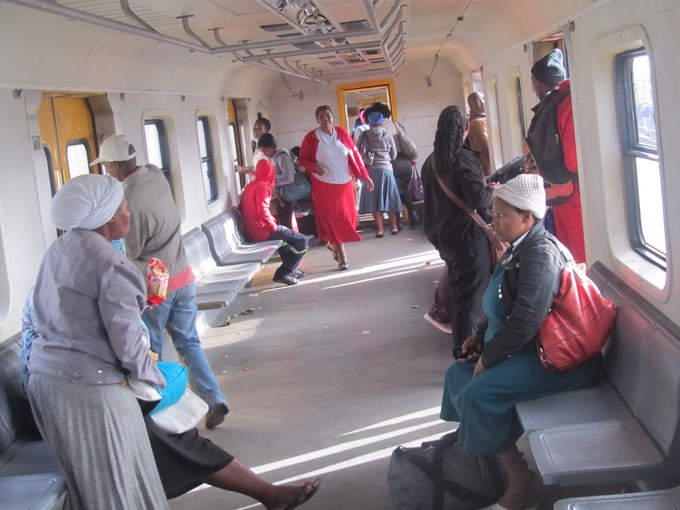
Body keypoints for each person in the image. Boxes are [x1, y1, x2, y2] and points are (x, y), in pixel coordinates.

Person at [20, 289, 321, 510]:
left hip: (90, 395)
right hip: (59, 404)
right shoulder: (52, 296)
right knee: (155, 433)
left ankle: (268, 493)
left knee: (166, 432)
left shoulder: (87, 285)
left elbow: (125, 341)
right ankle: (268, 494)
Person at [440, 174, 601, 510]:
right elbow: (504, 303)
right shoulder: (519, 248)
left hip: (556, 360)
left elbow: (527, 318)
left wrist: (489, 358)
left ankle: (518, 481)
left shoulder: (540, 254)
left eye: (501, 216)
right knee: (457, 375)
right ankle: (486, 456)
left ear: (527, 217)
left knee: (479, 392)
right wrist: (481, 336)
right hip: (526, 350)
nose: (493, 222)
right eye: (493, 214)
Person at [26, 173, 169, 509]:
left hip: (46, 382)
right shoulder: (110, 265)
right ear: (106, 217)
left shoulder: (59, 249)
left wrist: (138, 300)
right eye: (123, 206)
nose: (129, 212)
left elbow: (71, 312)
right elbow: (129, 346)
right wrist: (155, 377)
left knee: (89, 485)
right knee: (117, 488)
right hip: (90, 390)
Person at [92, 134, 230, 429]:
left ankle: (161, 413)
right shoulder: (155, 174)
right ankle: (214, 396)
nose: (106, 171)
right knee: (189, 342)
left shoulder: (130, 202)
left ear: (116, 166)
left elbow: (134, 250)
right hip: (183, 271)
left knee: (150, 348)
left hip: (157, 281)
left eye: (106, 166)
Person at [421, 105, 493, 352]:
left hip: (445, 238)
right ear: (466, 128)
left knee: (462, 295)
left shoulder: (431, 161)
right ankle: (465, 354)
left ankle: (463, 350)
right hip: (468, 239)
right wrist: (495, 189)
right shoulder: (461, 157)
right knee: (470, 302)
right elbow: (478, 199)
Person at [526, 48, 586, 264]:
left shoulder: (550, 105)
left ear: (539, 82)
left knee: (567, 253)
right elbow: (574, 160)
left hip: (556, 193)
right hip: (576, 193)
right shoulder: (570, 102)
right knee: (581, 257)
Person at [298, 104, 374, 271]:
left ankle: (333, 244)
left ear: (333, 117)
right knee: (335, 219)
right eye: (322, 117)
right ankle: (343, 257)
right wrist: (315, 167)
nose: (326, 119)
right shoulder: (311, 137)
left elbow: (354, 153)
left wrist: (365, 176)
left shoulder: (341, 132)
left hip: (346, 183)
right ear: (317, 120)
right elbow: (301, 160)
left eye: (328, 116)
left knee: (348, 219)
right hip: (324, 185)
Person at [240, 141, 309, 286]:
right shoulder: (263, 187)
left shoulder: (250, 186)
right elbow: (263, 211)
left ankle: (291, 267)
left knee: (284, 240)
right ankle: (284, 273)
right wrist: (273, 227)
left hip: (251, 230)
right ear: (271, 172)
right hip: (261, 231)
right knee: (302, 241)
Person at [367, 102, 421, 228]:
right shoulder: (396, 124)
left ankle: (398, 221)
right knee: (401, 190)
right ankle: (412, 214)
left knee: (392, 192)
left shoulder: (373, 130)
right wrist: (412, 157)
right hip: (404, 162)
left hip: (387, 163)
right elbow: (406, 142)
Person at [357, 111, 402, 237]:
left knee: (374, 200)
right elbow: (393, 155)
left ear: (368, 123)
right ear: (381, 122)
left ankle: (380, 229)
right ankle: (393, 227)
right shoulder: (388, 134)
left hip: (370, 171)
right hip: (386, 170)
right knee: (390, 199)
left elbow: (357, 152)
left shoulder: (364, 135)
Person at [257, 133, 299, 230]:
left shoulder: (281, 156)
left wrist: (270, 179)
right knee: (283, 222)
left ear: (272, 146)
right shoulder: (273, 157)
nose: (265, 153)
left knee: (285, 223)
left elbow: (289, 177)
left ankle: (289, 244)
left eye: (266, 150)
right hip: (281, 195)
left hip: (287, 194)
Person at [465, 92, 492, 177]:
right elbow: (485, 148)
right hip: (488, 170)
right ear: (471, 106)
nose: (482, 103)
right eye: (477, 102)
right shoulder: (476, 123)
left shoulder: (481, 119)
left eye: (483, 99)